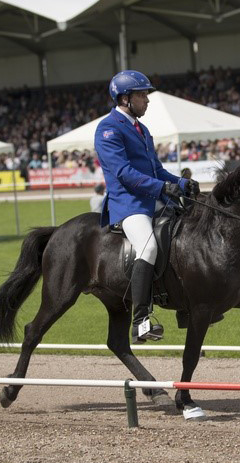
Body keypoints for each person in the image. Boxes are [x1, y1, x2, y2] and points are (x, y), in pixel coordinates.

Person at [94, 70, 200, 344]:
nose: (147, 100)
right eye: (142, 95)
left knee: (188, 235)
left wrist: (181, 183)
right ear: (125, 99)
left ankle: (186, 306)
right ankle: (140, 321)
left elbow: (156, 170)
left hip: (154, 199)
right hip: (128, 204)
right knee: (148, 247)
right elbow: (123, 173)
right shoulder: (108, 129)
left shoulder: (142, 129)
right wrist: (162, 188)